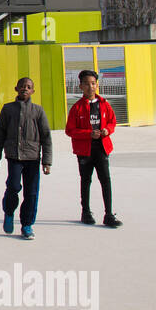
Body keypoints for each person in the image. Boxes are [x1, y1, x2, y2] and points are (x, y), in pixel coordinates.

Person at [0, 77, 53, 240]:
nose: (25, 89)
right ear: (16, 89)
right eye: (22, 86)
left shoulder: (38, 111)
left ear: (33, 91)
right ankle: (9, 212)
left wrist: (47, 161)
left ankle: (27, 225)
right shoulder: (8, 109)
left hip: (32, 157)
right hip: (14, 156)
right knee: (13, 186)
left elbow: (46, 137)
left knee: (31, 193)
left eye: (29, 87)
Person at [65, 70, 122, 228]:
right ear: (80, 86)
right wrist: (88, 134)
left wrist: (107, 131)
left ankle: (109, 214)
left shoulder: (104, 104)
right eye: (87, 84)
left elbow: (112, 122)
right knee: (86, 180)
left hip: (102, 148)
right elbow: (70, 130)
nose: (91, 87)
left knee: (105, 180)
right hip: (85, 150)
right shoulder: (77, 108)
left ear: (97, 85)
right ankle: (86, 212)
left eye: (93, 83)